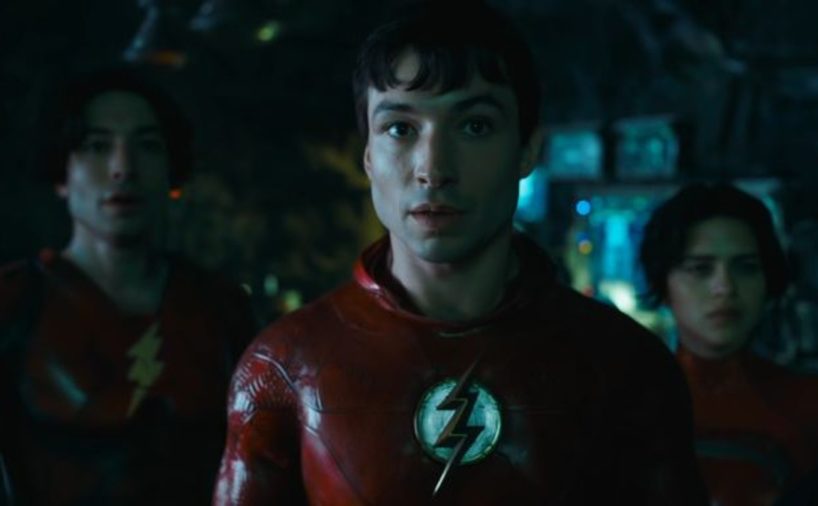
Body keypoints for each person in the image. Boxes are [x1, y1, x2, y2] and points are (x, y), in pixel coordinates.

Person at [213, 3, 707, 504]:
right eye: (400, 128)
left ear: (526, 150)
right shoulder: (282, 366)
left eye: (474, 126)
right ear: (369, 156)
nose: (433, 168)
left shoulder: (627, 364)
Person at [0, 68, 257, 505]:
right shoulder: (13, 303)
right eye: (97, 146)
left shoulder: (220, 307)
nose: (123, 168)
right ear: (62, 172)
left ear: (170, 168)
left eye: (147, 145)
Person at [639, 183, 818, 505]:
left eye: (746, 267)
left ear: (768, 280)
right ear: (664, 284)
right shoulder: (629, 407)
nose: (725, 287)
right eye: (700, 269)